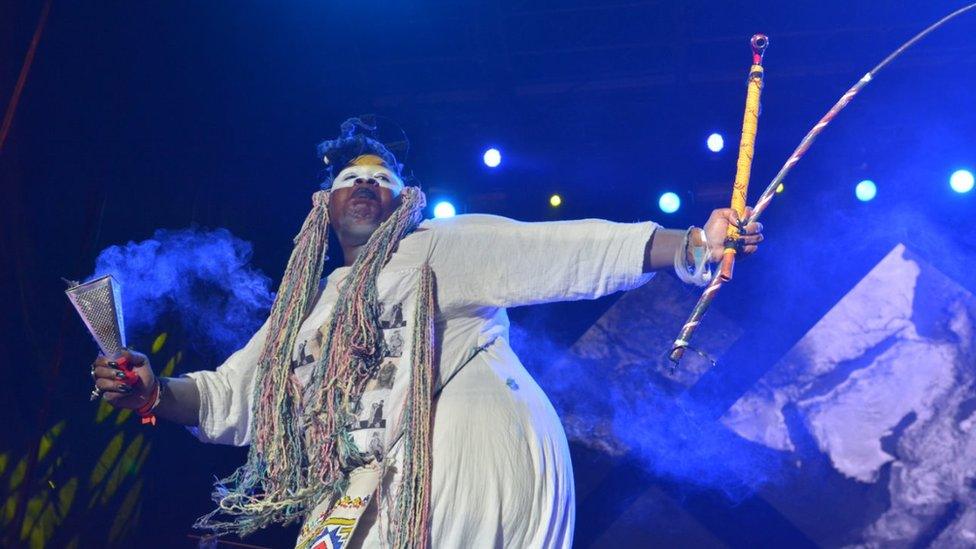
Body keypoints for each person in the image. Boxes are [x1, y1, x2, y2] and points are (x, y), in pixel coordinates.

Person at [91, 118, 762, 548]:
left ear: (404, 198)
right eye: (349, 178)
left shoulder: (435, 244)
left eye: (380, 179)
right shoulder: (307, 310)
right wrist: (151, 392)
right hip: (364, 488)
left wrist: (690, 245)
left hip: (460, 454)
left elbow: (558, 251)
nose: (364, 185)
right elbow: (226, 398)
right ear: (323, 205)